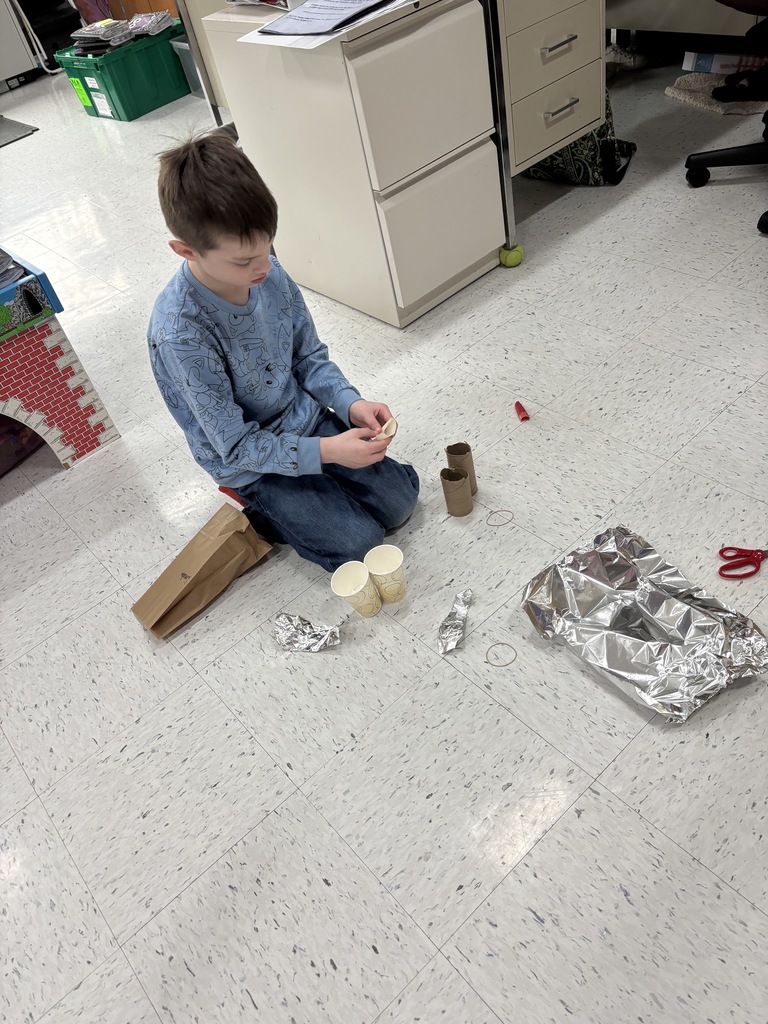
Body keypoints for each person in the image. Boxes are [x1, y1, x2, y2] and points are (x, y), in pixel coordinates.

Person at [148, 133, 419, 572]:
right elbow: (236, 446)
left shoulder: (266, 272)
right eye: (243, 261)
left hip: (302, 419)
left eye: (267, 247)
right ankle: (263, 510)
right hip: (250, 460)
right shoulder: (181, 334)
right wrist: (328, 453)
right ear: (186, 250)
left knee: (400, 503)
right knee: (360, 544)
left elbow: (307, 356)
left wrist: (349, 403)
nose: (263, 267)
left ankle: (322, 489)